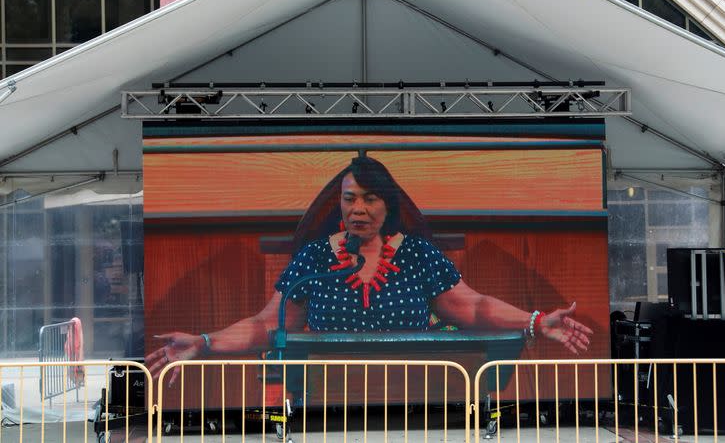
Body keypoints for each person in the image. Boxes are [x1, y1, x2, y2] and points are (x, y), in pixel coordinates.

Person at [147, 156, 593, 383]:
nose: (357, 208)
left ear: (388, 204)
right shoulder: (316, 258)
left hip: (420, 402)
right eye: (349, 198)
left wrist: (535, 322)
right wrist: (206, 343)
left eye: (369, 198)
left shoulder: (416, 254)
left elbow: (473, 308)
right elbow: (268, 325)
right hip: (324, 409)